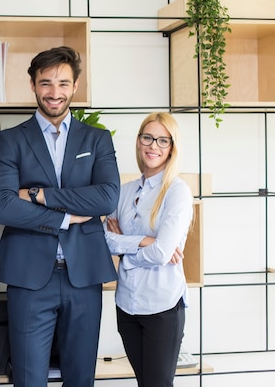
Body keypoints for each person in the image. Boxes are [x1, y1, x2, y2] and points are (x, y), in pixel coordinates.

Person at [0, 46, 120, 387]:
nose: (54, 92)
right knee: (29, 378)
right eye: (45, 83)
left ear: (75, 86)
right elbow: (1, 204)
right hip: (29, 277)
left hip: (84, 274)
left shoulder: (98, 140)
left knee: (81, 378)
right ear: (32, 85)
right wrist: (64, 218)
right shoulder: (11, 139)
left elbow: (106, 197)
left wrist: (37, 193)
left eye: (63, 83)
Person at [104, 112, 193, 387]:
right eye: (148, 137)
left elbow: (162, 254)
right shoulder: (124, 191)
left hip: (162, 307)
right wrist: (145, 241)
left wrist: (127, 251)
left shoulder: (176, 191)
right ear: (139, 141)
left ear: (172, 147)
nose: (153, 146)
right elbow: (104, 239)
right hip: (127, 306)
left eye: (162, 140)